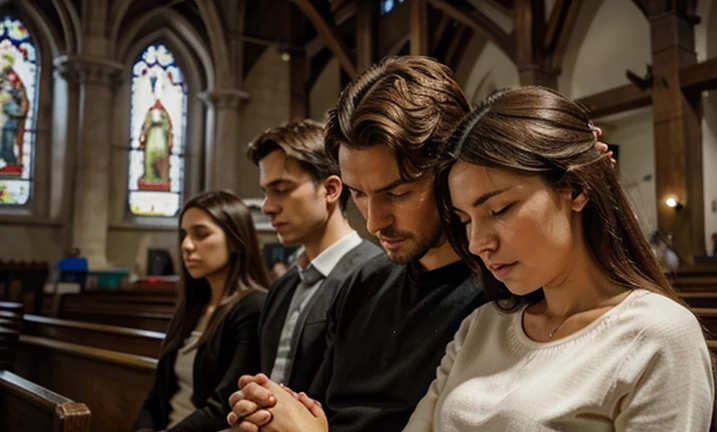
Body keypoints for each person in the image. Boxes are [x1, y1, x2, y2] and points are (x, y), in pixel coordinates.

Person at [226, 58, 613, 432]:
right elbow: (319, 411)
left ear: (451, 172)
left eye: (397, 193)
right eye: (359, 194)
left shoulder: (507, 288)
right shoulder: (362, 283)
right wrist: (272, 413)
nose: (374, 221)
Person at [402, 86, 717, 431]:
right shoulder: (483, 325)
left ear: (575, 188)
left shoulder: (655, 335)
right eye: (465, 220)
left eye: (499, 209)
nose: (476, 243)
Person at [245, 119, 382, 396]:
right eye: (266, 192)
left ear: (331, 189)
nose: (267, 207)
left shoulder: (375, 276)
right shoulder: (284, 286)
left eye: (281, 190)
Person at [133, 190, 270, 432]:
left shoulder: (253, 307)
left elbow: (224, 405)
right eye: (183, 235)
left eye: (201, 234)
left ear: (236, 240)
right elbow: (156, 397)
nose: (186, 245)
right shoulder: (193, 307)